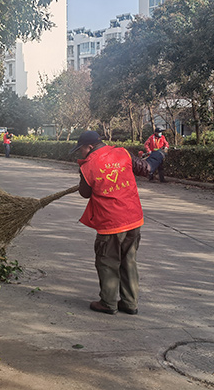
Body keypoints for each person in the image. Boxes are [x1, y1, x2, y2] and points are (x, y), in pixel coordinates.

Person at [71, 131, 144, 315]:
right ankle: (130, 303)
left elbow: (85, 193)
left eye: (81, 149)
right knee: (129, 260)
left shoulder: (88, 165)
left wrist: (82, 176)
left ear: (89, 147)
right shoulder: (122, 152)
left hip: (111, 222)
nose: (80, 153)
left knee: (107, 262)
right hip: (133, 218)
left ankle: (108, 303)